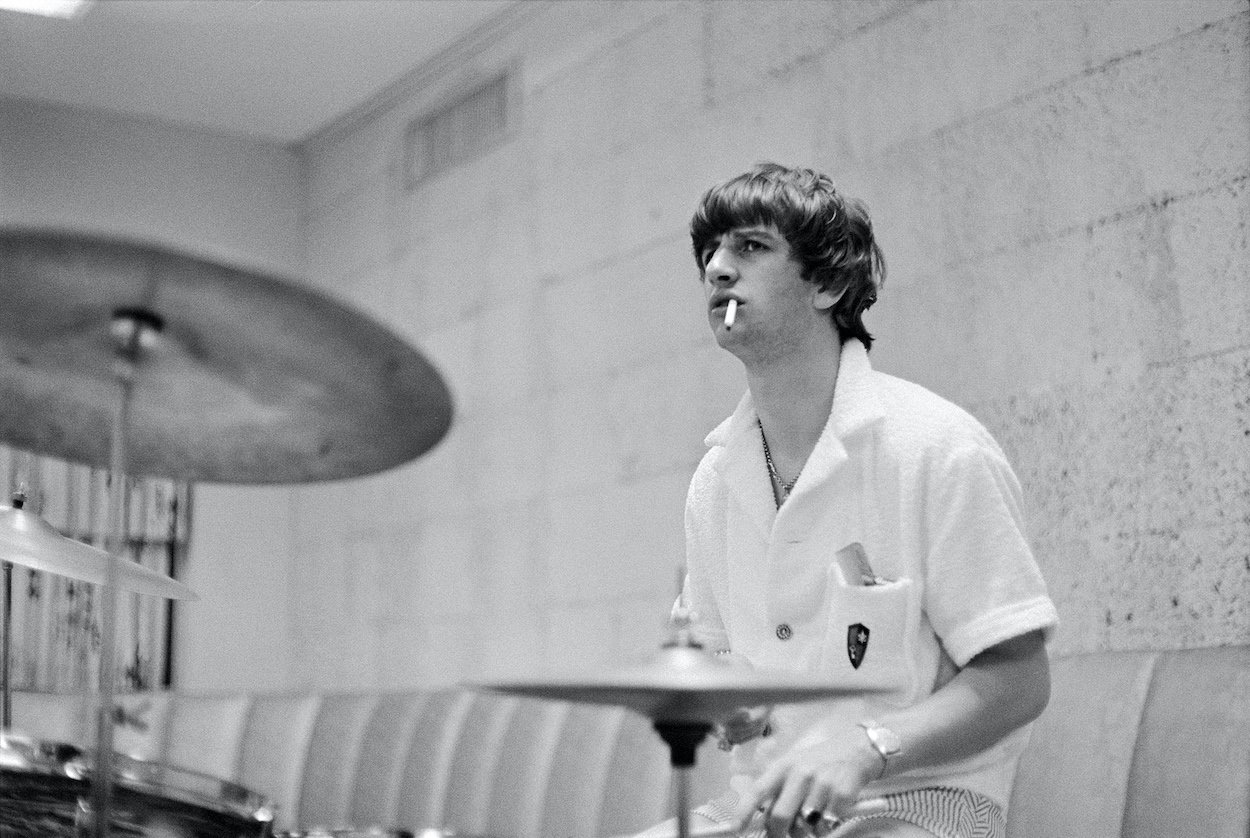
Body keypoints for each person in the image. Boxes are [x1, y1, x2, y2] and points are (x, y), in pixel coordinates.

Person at [664, 163, 1058, 838]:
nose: (718, 271)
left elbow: (1018, 682)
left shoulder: (939, 447)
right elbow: (714, 661)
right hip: (763, 807)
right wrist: (728, 703)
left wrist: (866, 746)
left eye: (750, 248)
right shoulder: (713, 481)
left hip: (920, 801)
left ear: (829, 283)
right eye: (710, 254)